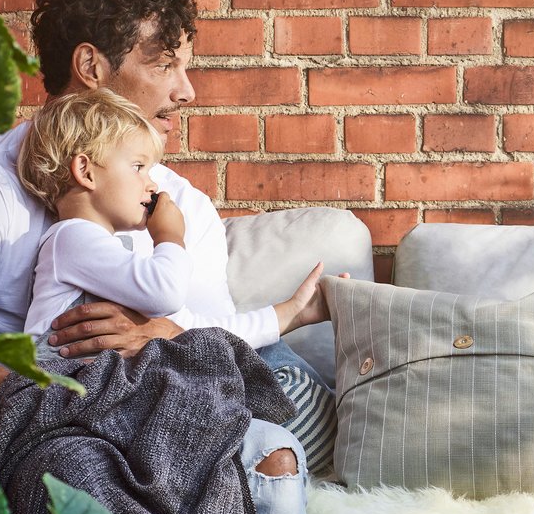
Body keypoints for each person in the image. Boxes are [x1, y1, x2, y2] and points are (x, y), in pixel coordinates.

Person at [0, 0, 326, 514]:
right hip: (44, 415)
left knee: (272, 452)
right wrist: (74, 400)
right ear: (91, 66)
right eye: (166, 65)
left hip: (165, 407)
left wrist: (162, 335)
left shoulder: (178, 204)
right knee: (76, 468)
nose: (187, 90)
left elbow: (214, 359)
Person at [16, 88, 321, 345]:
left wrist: (294, 311)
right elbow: (165, 295)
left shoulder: (115, 259)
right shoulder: (70, 239)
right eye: (138, 167)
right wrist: (170, 236)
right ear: (86, 171)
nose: (152, 184)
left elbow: (188, 330)